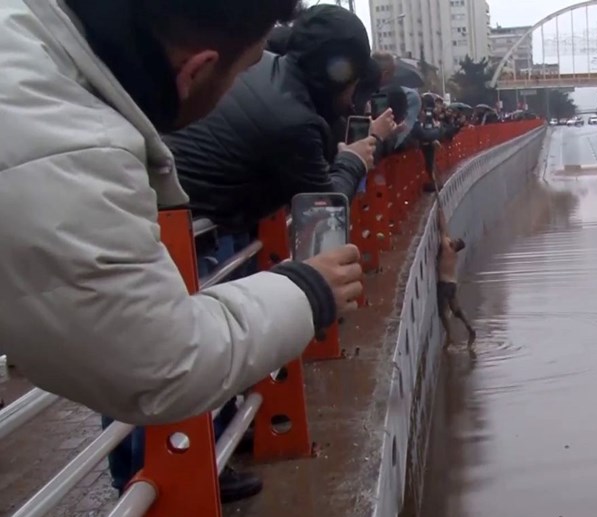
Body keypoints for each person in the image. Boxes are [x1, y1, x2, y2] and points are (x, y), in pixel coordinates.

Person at [0, 0, 365, 426]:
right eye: (244, 69)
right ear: (196, 70)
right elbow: (158, 364)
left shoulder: (31, 44)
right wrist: (310, 290)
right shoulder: (76, 148)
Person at [165, 5, 398, 234]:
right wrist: (353, 159)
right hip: (190, 238)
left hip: (171, 210)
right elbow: (325, 208)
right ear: (339, 78)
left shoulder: (265, 65)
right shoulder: (296, 122)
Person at [435, 204, 476, 349]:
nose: (453, 239)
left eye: (456, 241)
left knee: (442, 313)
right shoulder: (452, 254)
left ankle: (450, 336)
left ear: (455, 246)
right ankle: (470, 328)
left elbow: (442, 232)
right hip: (452, 284)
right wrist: (442, 213)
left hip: (444, 285)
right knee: (456, 310)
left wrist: (440, 216)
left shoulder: (447, 248)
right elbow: (446, 232)